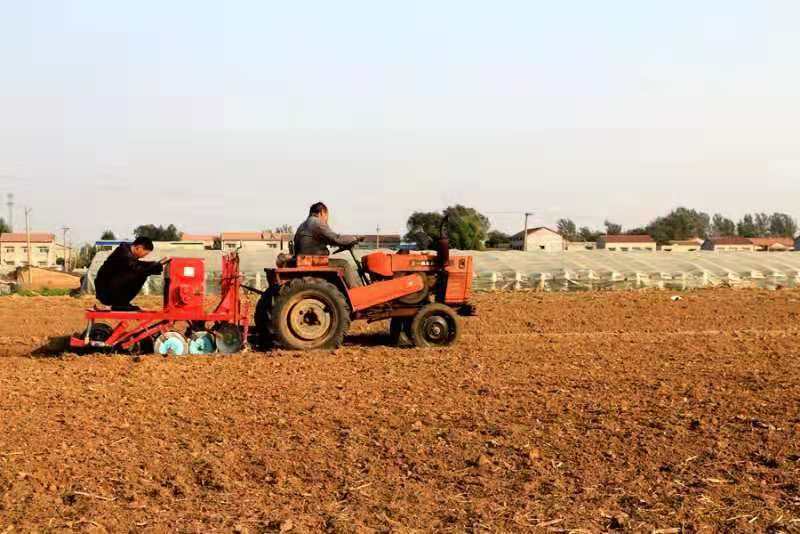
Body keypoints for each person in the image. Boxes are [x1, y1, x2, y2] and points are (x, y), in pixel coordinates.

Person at [294, 202, 361, 287]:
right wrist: (355, 238)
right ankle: (355, 293)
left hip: (305, 260)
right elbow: (336, 238)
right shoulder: (317, 223)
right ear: (322, 212)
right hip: (312, 261)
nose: (327, 219)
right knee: (344, 264)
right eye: (327, 216)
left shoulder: (303, 225)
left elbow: (331, 240)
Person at [94, 236, 168, 311]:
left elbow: (137, 265)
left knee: (143, 271)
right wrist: (155, 265)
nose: (144, 256)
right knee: (141, 273)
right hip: (106, 293)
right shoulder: (124, 254)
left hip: (109, 288)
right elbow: (136, 268)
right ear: (139, 248)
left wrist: (155, 264)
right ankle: (119, 304)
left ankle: (122, 303)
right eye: (145, 253)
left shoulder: (126, 253)